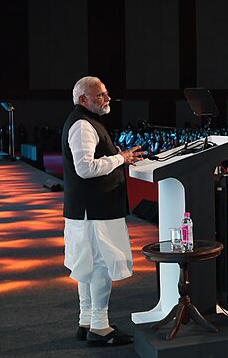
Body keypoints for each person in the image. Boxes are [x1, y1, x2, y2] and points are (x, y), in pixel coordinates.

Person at [62, 76, 143, 347]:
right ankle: (100, 327)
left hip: (88, 209)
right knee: (100, 266)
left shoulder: (83, 121)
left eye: (106, 93)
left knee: (87, 267)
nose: (107, 98)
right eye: (100, 95)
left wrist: (116, 157)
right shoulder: (83, 125)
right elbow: (84, 168)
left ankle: (87, 321)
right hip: (95, 210)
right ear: (83, 99)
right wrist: (122, 158)